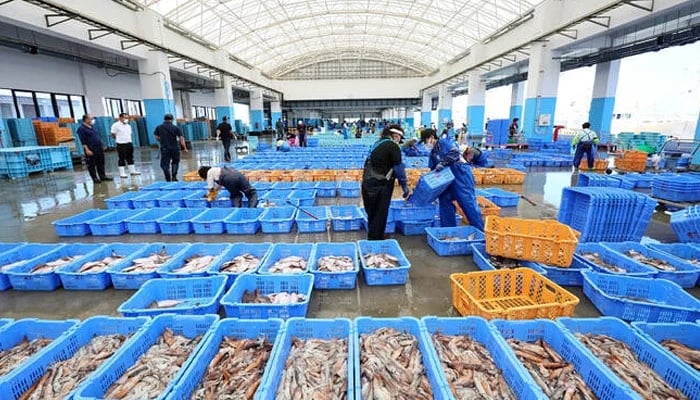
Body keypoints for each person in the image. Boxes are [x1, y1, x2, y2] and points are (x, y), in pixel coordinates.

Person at [426, 131, 484, 230]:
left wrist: (443, 163)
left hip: (460, 176)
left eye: (425, 140)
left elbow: (455, 152)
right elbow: (432, 170)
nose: (425, 144)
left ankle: (480, 231)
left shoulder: (443, 143)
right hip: (446, 180)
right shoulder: (433, 153)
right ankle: (449, 231)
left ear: (431, 137)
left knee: (467, 203)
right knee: (444, 200)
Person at [362, 124, 409, 240]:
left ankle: (376, 237)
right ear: (396, 135)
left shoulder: (377, 144)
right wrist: (405, 187)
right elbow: (399, 168)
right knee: (380, 214)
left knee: (372, 214)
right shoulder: (393, 146)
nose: (399, 141)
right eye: (399, 138)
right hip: (381, 185)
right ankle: (375, 244)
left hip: (367, 183)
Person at [78, 114, 112, 183]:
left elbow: (97, 137)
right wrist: (87, 150)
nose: (92, 120)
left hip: (98, 148)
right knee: (91, 164)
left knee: (101, 163)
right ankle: (94, 178)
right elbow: (83, 141)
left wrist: (102, 145)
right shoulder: (81, 129)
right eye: (91, 119)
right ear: (86, 119)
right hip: (91, 149)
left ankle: (102, 176)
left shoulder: (92, 127)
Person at [154, 113, 188, 182]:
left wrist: (162, 141)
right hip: (174, 148)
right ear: (172, 119)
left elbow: (156, 137)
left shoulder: (159, 127)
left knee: (164, 165)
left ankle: (168, 179)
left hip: (164, 148)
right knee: (175, 162)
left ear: (164, 119)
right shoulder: (176, 128)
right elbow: (181, 138)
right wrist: (185, 148)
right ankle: (174, 177)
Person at [110, 113, 140, 178]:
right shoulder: (115, 125)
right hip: (121, 144)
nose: (126, 119)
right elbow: (113, 134)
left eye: (127, 118)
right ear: (120, 118)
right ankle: (122, 173)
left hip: (129, 143)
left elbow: (129, 134)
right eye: (125, 117)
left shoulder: (128, 126)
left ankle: (132, 171)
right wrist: (119, 139)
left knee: (130, 157)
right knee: (121, 158)